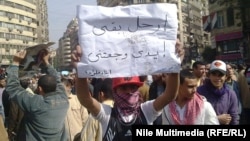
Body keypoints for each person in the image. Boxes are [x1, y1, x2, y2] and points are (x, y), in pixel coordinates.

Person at [72, 40, 184, 140]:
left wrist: (174, 66)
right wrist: (80, 70)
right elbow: (86, 99)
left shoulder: (146, 111)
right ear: (115, 91)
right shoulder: (107, 114)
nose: (129, 91)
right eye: (123, 88)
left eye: (133, 87)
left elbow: (170, 95)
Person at [5, 49, 69, 140]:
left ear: (40, 88)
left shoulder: (36, 103)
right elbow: (57, 79)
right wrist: (46, 62)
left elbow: (13, 88)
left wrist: (15, 62)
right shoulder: (64, 100)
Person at [197, 60, 239, 125]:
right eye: (214, 74)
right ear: (209, 75)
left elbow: (234, 118)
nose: (217, 78)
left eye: (220, 75)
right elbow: (195, 116)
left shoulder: (230, 94)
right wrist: (216, 118)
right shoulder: (199, 92)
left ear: (226, 77)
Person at [61, 76, 89, 141]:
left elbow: (85, 120)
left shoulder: (78, 100)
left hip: (79, 138)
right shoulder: (57, 102)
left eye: (68, 85)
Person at [8, 77, 35, 141]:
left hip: (19, 127)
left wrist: (10, 130)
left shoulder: (16, 96)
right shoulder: (32, 95)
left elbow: (13, 114)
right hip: (30, 128)